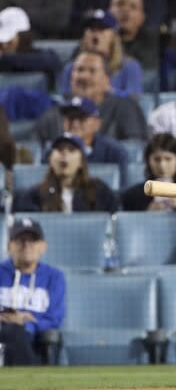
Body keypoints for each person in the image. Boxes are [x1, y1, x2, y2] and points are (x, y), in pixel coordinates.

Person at [35, 50, 148, 145]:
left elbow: (135, 148)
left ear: (107, 80)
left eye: (92, 71)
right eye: (79, 70)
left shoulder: (126, 107)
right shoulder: (52, 115)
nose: (84, 76)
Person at [0, 218, 66, 366]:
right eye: (21, 240)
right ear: (9, 245)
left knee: (17, 332)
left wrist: (26, 322)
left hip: (31, 339)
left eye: (33, 240)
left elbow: (54, 319)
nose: (27, 245)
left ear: (43, 246)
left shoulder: (54, 277)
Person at [14, 133, 119, 213]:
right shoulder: (35, 194)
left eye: (71, 150)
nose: (64, 154)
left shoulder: (99, 190)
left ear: (81, 161)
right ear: (50, 159)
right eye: (59, 150)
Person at [57, 9, 144, 98]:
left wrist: (105, 89)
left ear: (113, 36)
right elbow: (65, 97)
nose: (96, 34)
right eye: (91, 29)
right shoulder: (72, 67)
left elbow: (133, 99)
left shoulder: (129, 66)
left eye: (101, 29)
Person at [120, 132, 176, 212]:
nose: (162, 166)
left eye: (168, 159)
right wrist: (147, 214)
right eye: (157, 159)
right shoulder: (132, 196)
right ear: (148, 161)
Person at [58, 96, 129, 185]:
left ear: (97, 123)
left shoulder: (114, 151)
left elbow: (121, 188)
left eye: (81, 118)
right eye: (70, 118)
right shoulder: (54, 151)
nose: (75, 124)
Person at [0, 6, 62, 85]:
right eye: (1, 43)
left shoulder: (46, 57)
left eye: (9, 41)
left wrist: (3, 59)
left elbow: (48, 61)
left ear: (23, 36)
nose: (5, 46)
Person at [110, 0, 159, 71]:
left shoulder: (154, 43)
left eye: (133, 7)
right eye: (120, 4)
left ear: (142, 17)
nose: (125, 10)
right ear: (109, 11)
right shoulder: (98, 41)